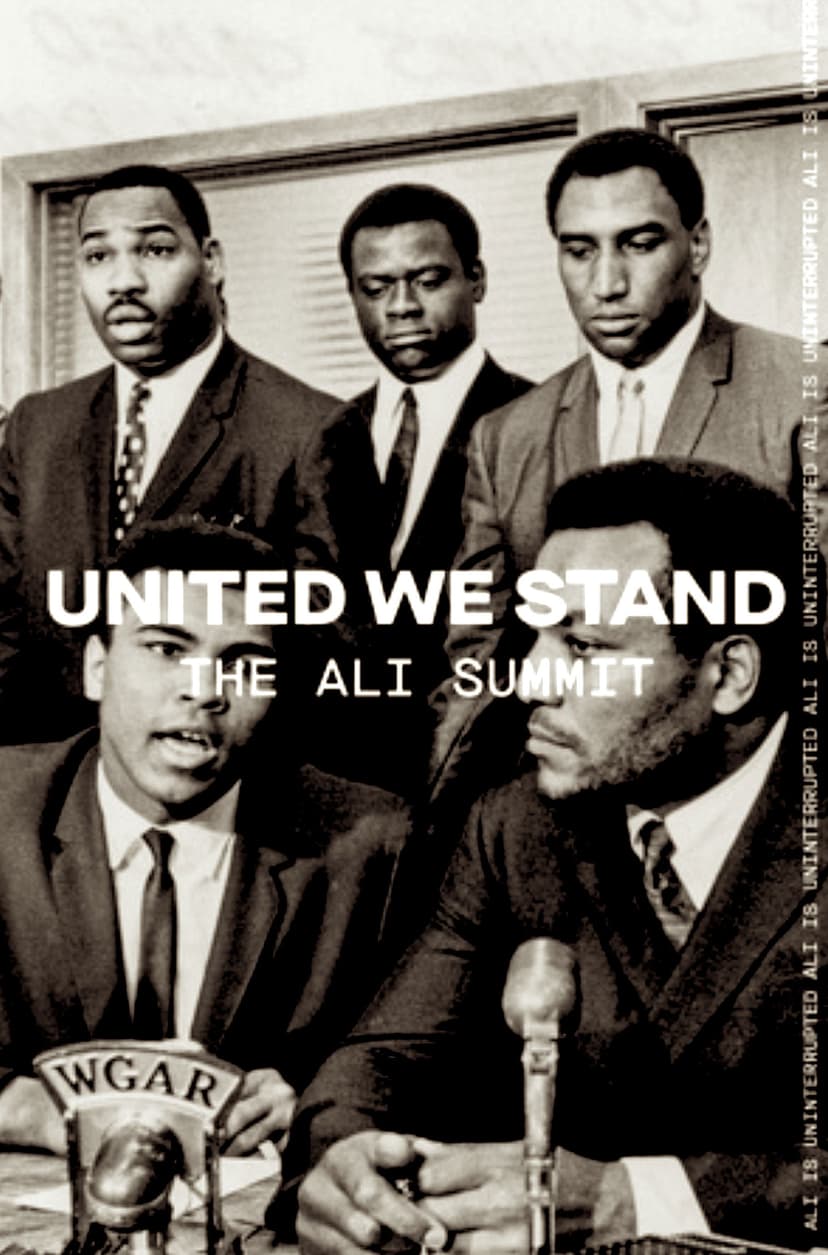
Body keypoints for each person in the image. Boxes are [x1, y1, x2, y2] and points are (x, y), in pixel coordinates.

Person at [280, 460, 825, 1252]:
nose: (531, 679)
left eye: (584, 645)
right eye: (534, 635)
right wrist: (345, 1162)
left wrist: (630, 1197)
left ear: (729, 673)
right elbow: (381, 1059)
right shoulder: (518, 823)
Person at [431, 126, 827, 794]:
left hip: (755, 806)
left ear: (697, 245)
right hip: (576, 807)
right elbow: (477, 660)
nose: (606, 283)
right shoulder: (506, 436)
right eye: (579, 250)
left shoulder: (803, 392)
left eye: (639, 244)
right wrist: (441, 817)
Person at [0, 521, 410, 1157]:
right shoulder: (7, 812)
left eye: (243, 664)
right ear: (97, 668)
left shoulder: (369, 846)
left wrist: (320, 1104)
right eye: (167, 649)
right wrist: (41, 1112)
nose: (204, 691)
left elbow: (433, 1080)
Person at [0, 164, 339, 744]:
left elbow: (329, 661)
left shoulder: (309, 428)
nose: (123, 281)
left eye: (155, 250)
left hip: (220, 775)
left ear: (211, 261)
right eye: (98, 256)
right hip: (54, 778)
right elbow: (6, 632)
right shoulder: (37, 425)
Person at [309, 183, 531, 793]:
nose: (401, 306)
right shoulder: (324, 435)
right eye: (376, 287)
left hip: (491, 783)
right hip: (341, 793)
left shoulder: (535, 422)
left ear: (476, 280)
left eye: (428, 280)